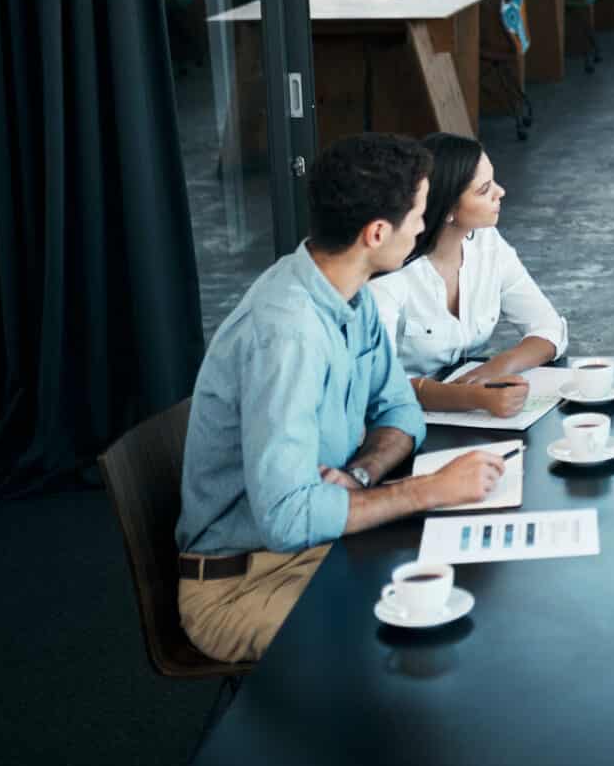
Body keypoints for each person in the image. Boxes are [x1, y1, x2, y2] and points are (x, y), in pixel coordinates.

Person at [175, 133, 505, 663]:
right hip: (243, 584)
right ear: (377, 232)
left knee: (474, 593)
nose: (424, 225)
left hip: (315, 547)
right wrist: (427, 490)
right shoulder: (289, 335)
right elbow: (286, 519)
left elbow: (400, 412)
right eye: (419, 214)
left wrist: (362, 474)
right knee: (427, 635)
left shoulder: (346, 289)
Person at [370, 132, 567, 415]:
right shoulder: (390, 270)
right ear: (448, 207)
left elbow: (549, 328)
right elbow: (378, 384)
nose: (501, 192)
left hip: (466, 414)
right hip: (395, 419)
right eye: (484, 189)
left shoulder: (487, 243)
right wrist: (470, 397)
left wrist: (498, 366)